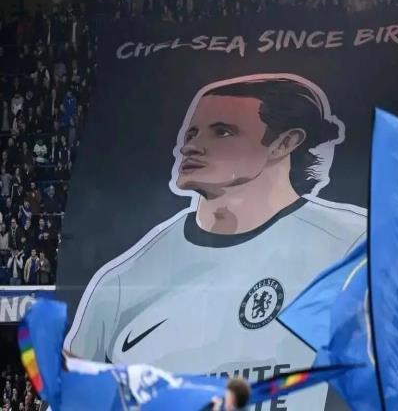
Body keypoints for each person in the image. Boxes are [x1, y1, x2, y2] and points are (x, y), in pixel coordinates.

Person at [64, 75, 366, 410]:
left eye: (222, 132)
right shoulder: (120, 285)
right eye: (191, 133)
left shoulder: (354, 245)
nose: (190, 146)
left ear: (284, 143)